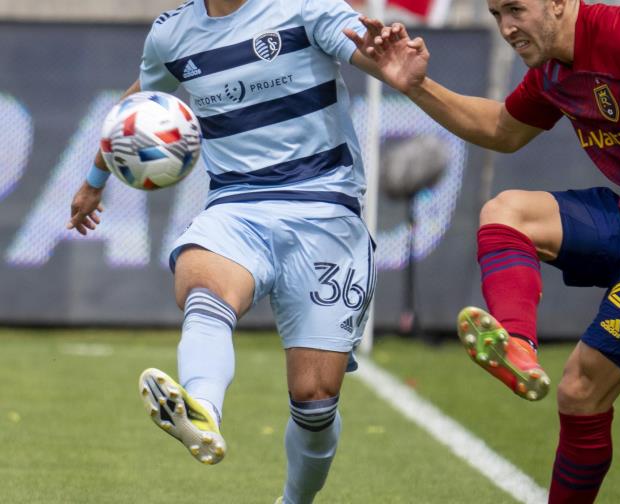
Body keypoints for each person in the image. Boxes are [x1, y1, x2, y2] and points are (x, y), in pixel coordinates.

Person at [346, 0, 620, 501]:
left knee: (580, 392)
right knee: (507, 212)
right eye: (495, 15)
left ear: (558, 3)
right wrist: (416, 85)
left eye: (516, 9)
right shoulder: (554, 71)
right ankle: (517, 344)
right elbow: (500, 131)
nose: (507, 27)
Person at [66, 1, 389, 502]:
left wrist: (389, 56)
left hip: (326, 211)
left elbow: (371, 53)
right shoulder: (171, 34)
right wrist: (94, 179)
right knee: (202, 280)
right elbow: (141, 102)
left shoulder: (305, 6)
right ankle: (202, 411)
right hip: (237, 206)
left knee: (315, 401)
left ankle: (294, 500)